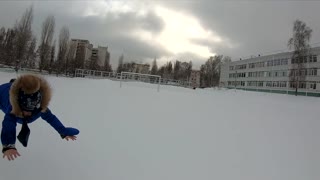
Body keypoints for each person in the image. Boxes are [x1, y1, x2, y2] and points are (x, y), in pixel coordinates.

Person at [0, 74, 79, 161]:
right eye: (24, 109)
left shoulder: (40, 107)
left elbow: (51, 118)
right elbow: (8, 124)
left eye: (30, 110)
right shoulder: (12, 107)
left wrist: (63, 131)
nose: (27, 114)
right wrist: (8, 145)